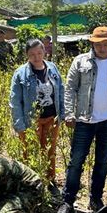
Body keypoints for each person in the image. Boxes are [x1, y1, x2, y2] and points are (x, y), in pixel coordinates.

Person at [55, 27, 107, 213]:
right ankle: (68, 201)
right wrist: (69, 114)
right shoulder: (80, 61)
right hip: (84, 120)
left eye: (106, 44)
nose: (102, 48)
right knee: (75, 162)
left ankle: (95, 199)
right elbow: (70, 89)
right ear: (92, 44)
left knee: (102, 163)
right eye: (98, 44)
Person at [10, 38, 64, 195]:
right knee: (30, 152)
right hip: (31, 120)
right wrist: (19, 125)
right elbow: (15, 101)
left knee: (50, 151)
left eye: (39, 52)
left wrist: (63, 114)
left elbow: (60, 89)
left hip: (51, 118)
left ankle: (49, 181)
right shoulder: (21, 73)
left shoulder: (52, 68)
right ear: (26, 54)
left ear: (44, 52)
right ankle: (31, 184)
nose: (36, 57)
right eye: (32, 54)